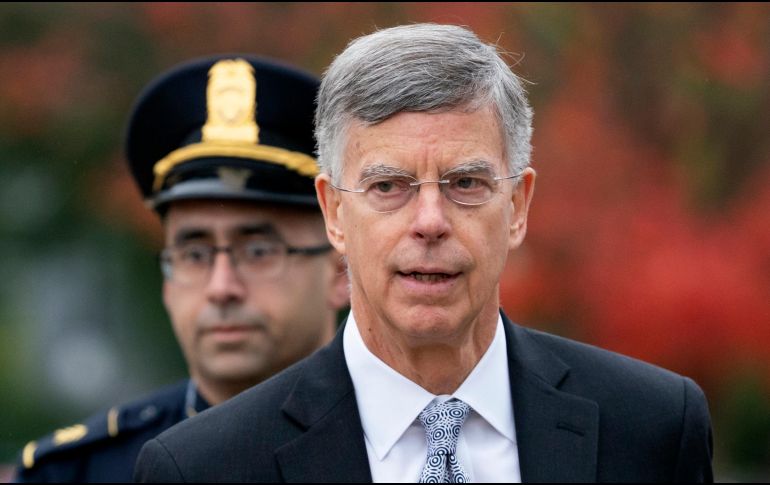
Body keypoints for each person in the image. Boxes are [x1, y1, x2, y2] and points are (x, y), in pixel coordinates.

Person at [134, 24, 713, 483]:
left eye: (465, 183)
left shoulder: (652, 426)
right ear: (334, 211)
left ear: (517, 205)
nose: (430, 222)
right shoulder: (205, 467)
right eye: (388, 187)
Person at [14, 55, 348, 482]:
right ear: (168, 283)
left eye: (260, 250)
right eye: (194, 254)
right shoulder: (76, 473)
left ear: (341, 272)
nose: (221, 287)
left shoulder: (400, 450)